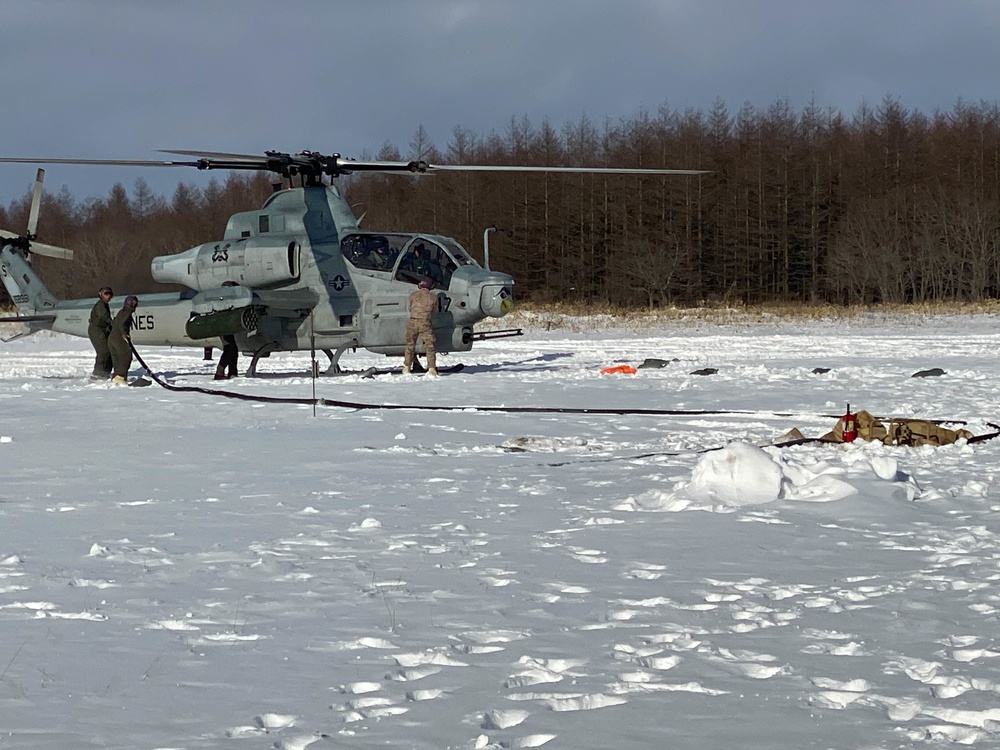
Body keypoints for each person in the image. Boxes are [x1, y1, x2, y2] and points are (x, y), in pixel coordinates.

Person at [403, 276, 439, 376]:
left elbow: (410, 308)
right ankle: (431, 368)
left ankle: (406, 367)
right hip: (425, 323)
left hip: (412, 321)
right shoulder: (433, 297)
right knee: (429, 346)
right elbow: (435, 312)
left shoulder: (413, 295)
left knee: (410, 345)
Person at [109, 295, 139, 385]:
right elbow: (121, 324)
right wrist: (124, 333)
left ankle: (117, 377)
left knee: (118, 358)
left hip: (111, 338)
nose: (135, 307)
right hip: (118, 338)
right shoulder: (127, 314)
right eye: (134, 304)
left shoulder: (121, 312)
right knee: (126, 356)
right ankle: (119, 377)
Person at [87, 286, 114, 380]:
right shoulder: (100, 305)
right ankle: (97, 373)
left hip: (102, 329)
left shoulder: (105, 304)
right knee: (103, 351)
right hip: (96, 330)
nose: (109, 296)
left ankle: (105, 372)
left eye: (110, 294)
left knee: (109, 351)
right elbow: (105, 317)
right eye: (106, 293)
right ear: (100, 294)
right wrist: (113, 323)